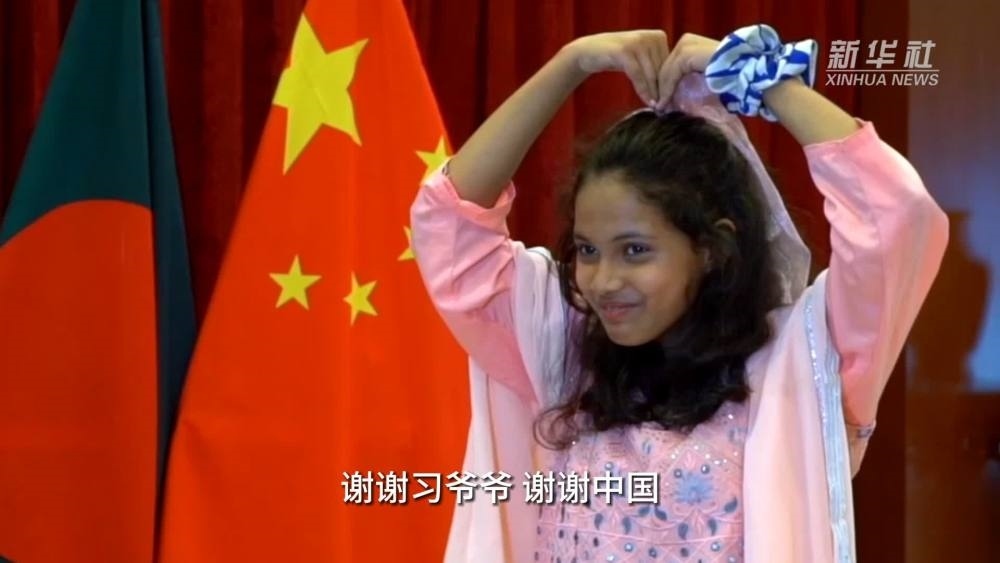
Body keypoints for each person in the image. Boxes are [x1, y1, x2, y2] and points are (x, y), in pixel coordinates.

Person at [410, 26, 948, 563]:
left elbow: (896, 215)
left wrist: (757, 76)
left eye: (635, 251)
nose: (603, 280)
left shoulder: (801, 361)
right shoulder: (565, 349)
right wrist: (569, 64)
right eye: (588, 250)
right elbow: (449, 227)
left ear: (711, 248)